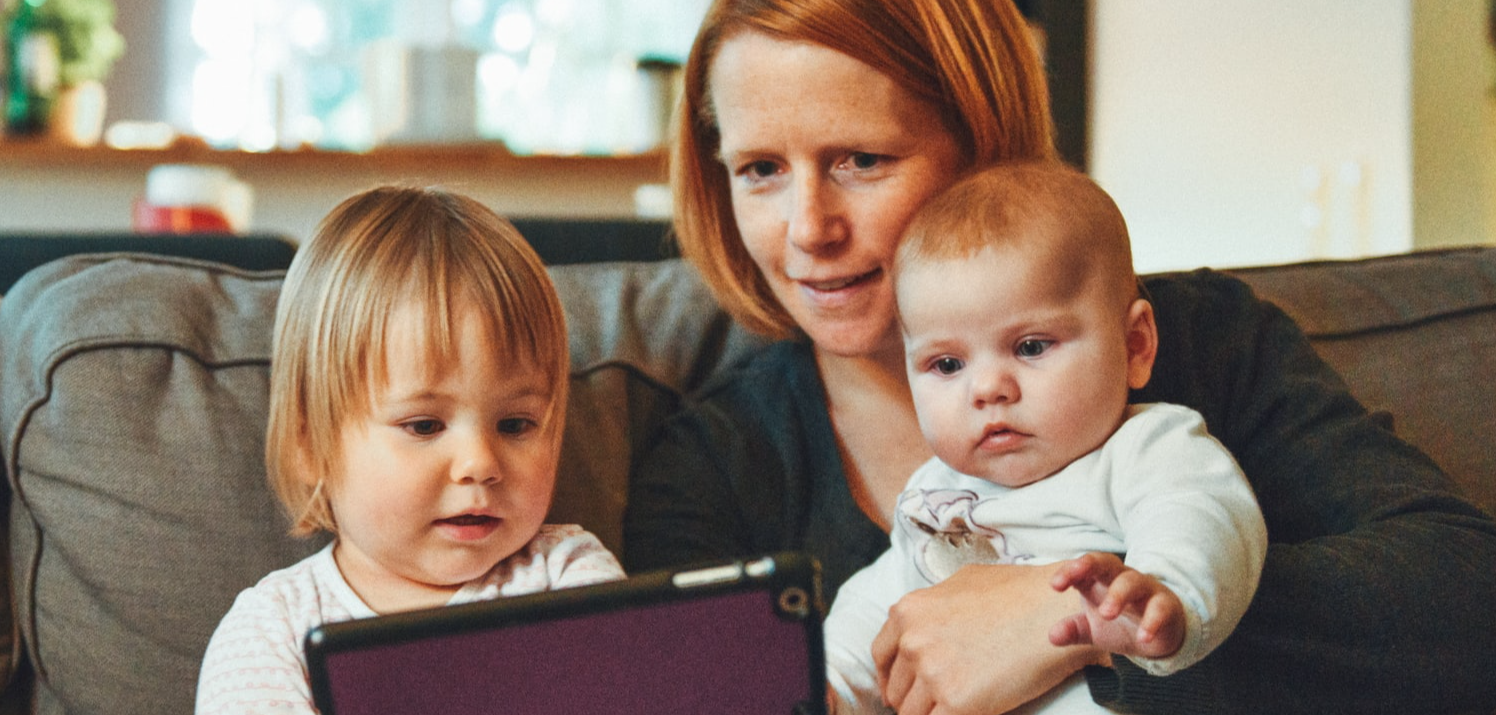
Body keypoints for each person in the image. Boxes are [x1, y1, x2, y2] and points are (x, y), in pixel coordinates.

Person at [623, 1, 1496, 713]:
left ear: (982, 143)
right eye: (760, 170)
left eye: (861, 159)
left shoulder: (1201, 343)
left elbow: (1465, 603)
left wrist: (1070, 617)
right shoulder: (709, 467)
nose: (809, 229)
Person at [822, 162, 1267, 714]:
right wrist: (833, 683)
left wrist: (1163, 597)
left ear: (1134, 346)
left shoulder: (1145, 448)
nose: (986, 389)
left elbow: (1202, 517)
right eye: (946, 363)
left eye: (1031, 347)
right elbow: (879, 604)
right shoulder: (935, 493)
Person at [195, 185, 624, 714]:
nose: (480, 464)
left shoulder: (569, 578)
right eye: (424, 425)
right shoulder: (273, 631)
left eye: (515, 424)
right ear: (310, 443)